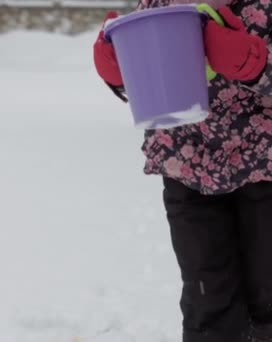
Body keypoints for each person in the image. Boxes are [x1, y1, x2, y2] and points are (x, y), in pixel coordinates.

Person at [93, 1, 272, 341]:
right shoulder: (162, 5)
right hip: (189, 170)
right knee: (208, 300)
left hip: (266, 166)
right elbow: (151, 75)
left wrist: (257, 64)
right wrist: (121, 66)